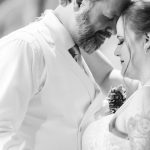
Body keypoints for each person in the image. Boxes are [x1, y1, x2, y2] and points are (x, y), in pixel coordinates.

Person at [0, 0, 138, 150]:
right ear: (79, 2)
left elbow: (108, 77)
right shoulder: (26, 47)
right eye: (110, 17)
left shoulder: (76, 51)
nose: (114, 30)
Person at [82, 1, 150, 150]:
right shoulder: (141, 91)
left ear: (147, 39)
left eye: (121, 41)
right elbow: (106, 75)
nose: (116, 51)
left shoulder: (145, 99)